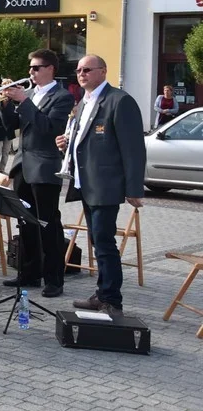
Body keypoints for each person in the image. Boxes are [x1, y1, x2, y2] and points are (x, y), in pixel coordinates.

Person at [56, 55, 146, 317]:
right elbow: (82, 140)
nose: (81, 74)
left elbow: (133, 149)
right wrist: (65, 144)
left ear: (103, 72)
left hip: (106, 184)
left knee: (105, 244)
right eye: (78, 70)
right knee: (97, 241)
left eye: (87, 69)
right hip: (87, 183)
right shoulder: (82, 103)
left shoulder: (119, 101)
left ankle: (111, 300)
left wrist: (134, 189)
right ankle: (102, 293)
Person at [0, 49, 75, 298]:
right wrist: (5, 105)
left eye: (36, 68)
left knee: (47, 224)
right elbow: (11, 128)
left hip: (44, 167)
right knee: (25, 222)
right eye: (30, 68)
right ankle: (29, 273)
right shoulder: (29, 94)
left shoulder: (62, 97)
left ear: (50, 69)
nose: (30, 72)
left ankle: (54, 279)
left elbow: (49, 129)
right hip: (22, 165)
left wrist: (24, 101)